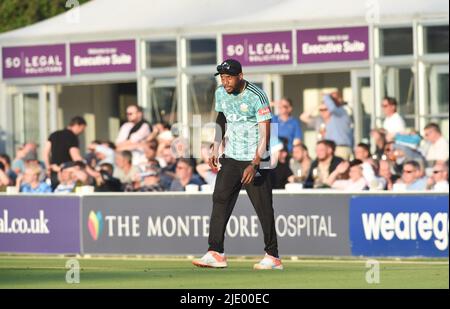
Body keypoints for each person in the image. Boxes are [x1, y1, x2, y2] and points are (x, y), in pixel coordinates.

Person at [192, 59, 283, 270]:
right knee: (220, 198)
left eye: (229, 77)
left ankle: (273, 256)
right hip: (232, 157)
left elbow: (266, 132)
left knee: (263, 207)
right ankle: (216, 252)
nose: (225, 82)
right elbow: (221, 119)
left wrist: (255, 163)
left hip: (256, 158)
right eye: (222, 78)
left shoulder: (256, 95)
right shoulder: (221, 93)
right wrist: (216, 146)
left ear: (240, 76)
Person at [44, 116, 87, 189]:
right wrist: (85, 168)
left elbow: (46, 153)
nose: (82, 132)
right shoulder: (72, 136)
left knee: (55, 193)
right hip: (67, 172)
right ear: (77, 125)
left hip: (54, 170)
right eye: (82, 129)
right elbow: (75, 156)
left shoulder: (54, 134)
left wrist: (48, 167)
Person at [320, 93, 354, 160]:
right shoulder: (332, 118)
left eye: (332, 99)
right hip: (332, 149)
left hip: (341, 148)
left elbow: (332, 108)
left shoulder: (341, 112)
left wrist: (326, 96)